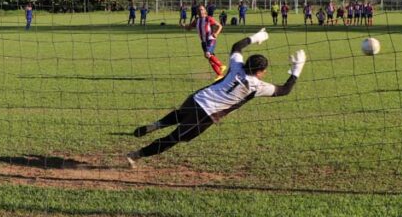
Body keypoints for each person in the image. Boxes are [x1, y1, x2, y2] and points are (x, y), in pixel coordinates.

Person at [125, 29, 305, 166]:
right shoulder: (257, 86)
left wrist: (256, 38)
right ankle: (136, 155)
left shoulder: (236, 66)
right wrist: (297, 69)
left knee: (180, 114)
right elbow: (284, 90)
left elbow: (237, 47)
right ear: (259, 72)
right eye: (264, 70)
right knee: (174, 138)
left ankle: (156, 125)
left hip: (197, 98)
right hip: (206, 115)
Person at [186, 4, 224, 76]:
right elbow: (189, 28)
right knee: (210, 58)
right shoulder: (197, 20)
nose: (200, 11)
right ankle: (220, 75)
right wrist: (184, 26)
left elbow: (220, 26)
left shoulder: (209, 18)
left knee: (208, 54)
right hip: (203, 42)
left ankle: (221, 66)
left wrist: (216, 33)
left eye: (202, 9)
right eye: (199, 10)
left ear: (205, 11)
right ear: (197, 12)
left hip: (210, 39)